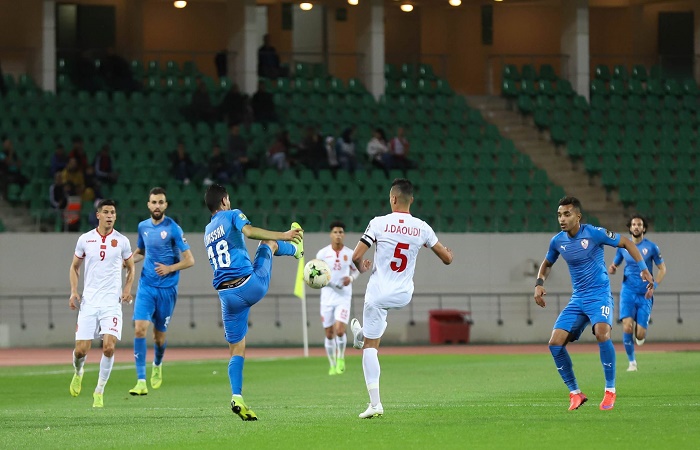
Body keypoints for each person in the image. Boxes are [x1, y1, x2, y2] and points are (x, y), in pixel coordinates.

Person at [533, 197, 654, 412]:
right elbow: (547, 263)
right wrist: (539, 283)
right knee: (555, 343)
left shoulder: (594, 233)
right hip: (578, 299)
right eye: (559, 214)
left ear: (578, 217)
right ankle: (575, 393)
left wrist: (644, 268)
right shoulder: (557, 241)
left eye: (567, 214)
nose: (562, 218)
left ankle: (610, 390)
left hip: (599, 296)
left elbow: (625, 242)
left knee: (601, 333)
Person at [349, 178, 453, 418]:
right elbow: (446, 258)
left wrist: (362, 267)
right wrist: (449, 254)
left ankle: (375, 403)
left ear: (393, 198)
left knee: (369, 348)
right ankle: (364, 333)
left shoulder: (379, 223)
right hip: (404, 294)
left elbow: (356, 256)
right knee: (376, 322)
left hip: (378, 294)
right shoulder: (422, 227)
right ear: (411, 200)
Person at [203, 183, 304, 420]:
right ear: (225, 200)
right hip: (249, 285)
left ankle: (237, 396)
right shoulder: (232, 213)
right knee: (266, 244)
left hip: (226, 297)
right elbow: (249, 232)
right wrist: (283, 235)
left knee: (236, 350)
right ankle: (296, 250)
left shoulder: (208, 230)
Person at [68, 199, 135, 408]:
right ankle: (79, 371)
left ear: (115, 216)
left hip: (111, 303)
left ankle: (99, 390)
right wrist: (73, 291)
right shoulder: (85, 239)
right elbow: (74, 267)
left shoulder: (122, 241)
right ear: (98, 215)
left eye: (112, 212)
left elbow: (131, 268)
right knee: (81, 350)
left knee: (108, 347)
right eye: (105, 212)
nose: (109, 215)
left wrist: (126, 289)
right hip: (89, 302)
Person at [129, 187, 195, 395]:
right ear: (148, 205)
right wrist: (127, 261)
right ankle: (141, 381)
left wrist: (169, 268)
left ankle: (157, 364)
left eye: (161, 202)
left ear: (165, 205)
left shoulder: (174, 228)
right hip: (146, 286)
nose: (157, 206)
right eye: (154, 202)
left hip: (167, 291)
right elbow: (140, 252)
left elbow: (190, 260)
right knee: (139, 329)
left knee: (159, 338)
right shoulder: (143, 227)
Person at [608, 214, 667, 372]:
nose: (636, 227)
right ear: (630, 227)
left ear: (644, 228)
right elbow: (615, 264)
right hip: (628, 291)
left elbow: (662, 269)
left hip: (645, 294)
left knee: (640, 335)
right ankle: (632, 363)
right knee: (627, 326)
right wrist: (613, 268)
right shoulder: (623, 247)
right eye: (633, 224)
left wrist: (654, 285)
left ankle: (639, 333)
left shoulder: (652, 248)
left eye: (639, 224)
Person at [315, 221, 359, 375]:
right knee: (328, 333)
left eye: (341, 232)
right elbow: (316, 273)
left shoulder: (350, 253)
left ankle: (340, 357)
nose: (338, 235)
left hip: (343, 297)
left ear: (344, 234)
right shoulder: (322, 254)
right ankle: (332, 365)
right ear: (330, 234)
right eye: (335, 232)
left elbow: (356, 270)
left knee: (340, 330)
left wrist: (351, 279)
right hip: (327, 297)